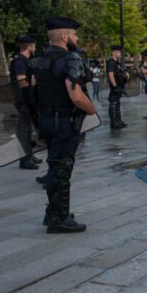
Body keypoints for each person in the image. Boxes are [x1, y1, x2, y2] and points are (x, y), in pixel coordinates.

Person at [34, 17, 96, 233]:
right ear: (64, 36)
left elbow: (32, 89)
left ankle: (53, 211)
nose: (76, 38)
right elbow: (76, 96)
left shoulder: (41, 59)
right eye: (74, 34)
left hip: (47, 120)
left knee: (54, 165)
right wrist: (92, 110)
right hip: (64, 121)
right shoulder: (70, 59)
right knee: (63, 168)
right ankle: (58, 218)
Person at [10, 36, 41, 170]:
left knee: (28, 128)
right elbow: (21, 80)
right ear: (29, 47)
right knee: (23, 129)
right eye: (34, 46)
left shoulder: (25, 61)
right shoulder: (20, 62)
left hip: (27, 99)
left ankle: (29, 155)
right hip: (23, 99)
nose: (35, 48)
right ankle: (24, 159)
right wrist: (30, 92)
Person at [106, 45, 127, 129]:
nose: (120, 54)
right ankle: (113, 122)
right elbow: (110, 74)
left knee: (117, 103)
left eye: (120, 52)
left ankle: (118, 120)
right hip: (115, 86)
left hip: (119, 85)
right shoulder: (111, 62)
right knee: (113, 103)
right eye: (118, 52)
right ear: (113, 52)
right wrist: (114, 85)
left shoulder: (117, 63)